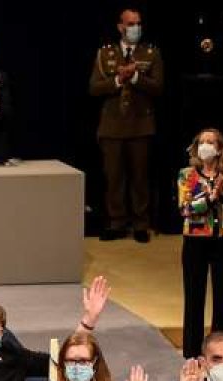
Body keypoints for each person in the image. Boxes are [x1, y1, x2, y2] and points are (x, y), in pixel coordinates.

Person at [91, 8, 164, 243]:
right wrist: (118, 79)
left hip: (141, 125)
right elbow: (94, 88)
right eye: (131, 24)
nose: (135, 28)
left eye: (138, 23)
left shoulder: (151, 53)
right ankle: (117, 222)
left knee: (139, 177)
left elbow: (158, 87)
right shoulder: (105, 53)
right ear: (120, 26)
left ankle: (141, 223)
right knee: (114, 177)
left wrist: (134, 77)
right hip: (112, 126)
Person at [176, 128, 223, 359]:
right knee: (194, 298)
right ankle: (192, 353)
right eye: (202, 142)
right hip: (195, 243)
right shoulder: (187, 175)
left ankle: (222, 353)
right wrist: (209, 199)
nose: (206, 145)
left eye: (211, 142)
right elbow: (185, 208)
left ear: (219, 148)